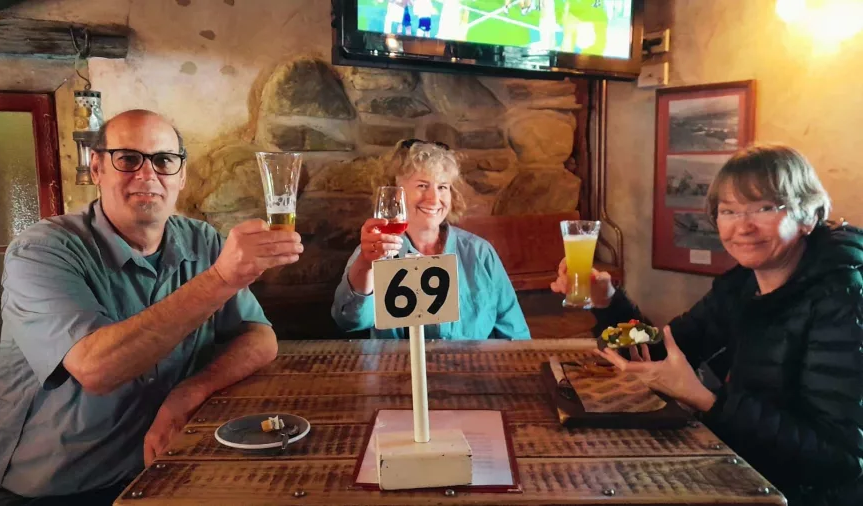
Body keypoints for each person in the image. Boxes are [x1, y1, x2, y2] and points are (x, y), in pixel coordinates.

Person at [0, 110, 303, 505]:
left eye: (164, 160)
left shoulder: (202, 240)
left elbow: (260, 338)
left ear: (181, 175)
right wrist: (222, 279)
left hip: (158, 474)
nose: (147, 175)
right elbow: (97, 369)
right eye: (128, 159)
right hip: (47, 489)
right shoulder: (43, 250)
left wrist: (189, 393)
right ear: (97, 168)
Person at [551, 144, 863, 506]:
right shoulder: (742, 284)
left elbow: (840, 460)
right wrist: (607, 302)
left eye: (764, 208)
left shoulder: (843, 298)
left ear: (808, 216)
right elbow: (664, 351)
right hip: (746, 468)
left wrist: (706, 399)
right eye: (729, 211)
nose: (743, 226)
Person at [332, 139, 530, 340]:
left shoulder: (479, 251)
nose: (434, 199)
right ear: (395, 194)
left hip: (471, 361)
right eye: (422, 185)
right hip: (399, 361)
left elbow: (515, 332)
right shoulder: (376, 250)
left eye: (442, 187)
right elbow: (350, 321)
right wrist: (366, 264)